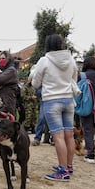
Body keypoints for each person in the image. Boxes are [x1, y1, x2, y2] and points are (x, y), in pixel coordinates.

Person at [31, 34, 78, 181]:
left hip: (52, 101)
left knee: (58, 136)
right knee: (69, 135)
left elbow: (35, 83)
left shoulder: (44, 60)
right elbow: (74, 79)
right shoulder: (71, 60)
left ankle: (62, 171)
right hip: (69, 100)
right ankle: (68, 166)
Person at [0, 50, 18, 119]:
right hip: (0, 104)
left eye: (3, 58)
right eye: (0, 59)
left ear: (8, 59)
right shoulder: (3, 72)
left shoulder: (11, 70)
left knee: (6, 125)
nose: (1, 60)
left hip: (7, 105)